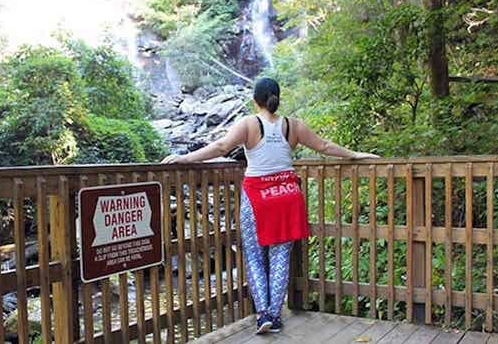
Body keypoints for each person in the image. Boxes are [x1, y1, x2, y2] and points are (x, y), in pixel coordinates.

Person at [162, 78, 378, 334]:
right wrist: (355, 154)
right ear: (277, 98)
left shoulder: (249, 124)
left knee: (254, 256)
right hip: (287, 195)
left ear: (256, 100)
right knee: (280, 256)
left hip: (258, 198)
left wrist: (184, 158)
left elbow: (221, 146)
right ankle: (274, 316)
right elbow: (324, 146)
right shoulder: (292, 125)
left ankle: (263, 312)